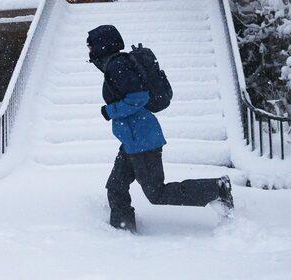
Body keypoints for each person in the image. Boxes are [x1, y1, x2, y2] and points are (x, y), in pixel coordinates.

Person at [87, 25, 234, 233]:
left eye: (91, 46)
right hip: (133, 139)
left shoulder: (117, 66)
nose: (89, 51)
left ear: (103, 45)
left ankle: (216, 189)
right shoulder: (115, 64)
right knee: (116, 186)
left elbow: (139, 98)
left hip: (142, 141)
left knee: (157, 194)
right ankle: (122, 231)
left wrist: (110, 111)